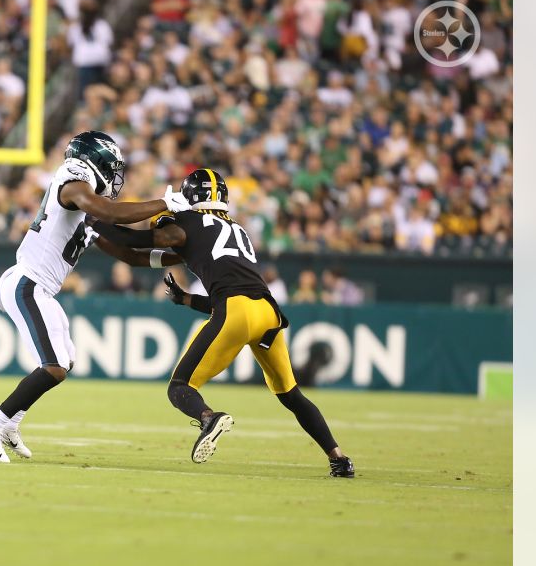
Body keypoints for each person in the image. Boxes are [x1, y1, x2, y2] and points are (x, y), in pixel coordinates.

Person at [89, 167, 354, 478]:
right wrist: (188, 299)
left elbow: (134, 240)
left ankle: (208, 418)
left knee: (180, 387)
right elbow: (227, 285)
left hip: (237, 310)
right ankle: (338, 457)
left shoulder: (187, 222)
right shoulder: (238, 229)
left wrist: (95, 221)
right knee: (291, 394)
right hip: (268, 313)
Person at [0, 131, 182, 462]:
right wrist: (164, 203)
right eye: (111, 169)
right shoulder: (73, 180)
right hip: (28, 283)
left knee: (64, 361)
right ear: (93, 163)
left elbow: (129, 250)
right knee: (54, 367)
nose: (115, 178)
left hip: (40, 288)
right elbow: (108, 211)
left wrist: (179, 256)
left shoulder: (88, 204)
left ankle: (10, 423)